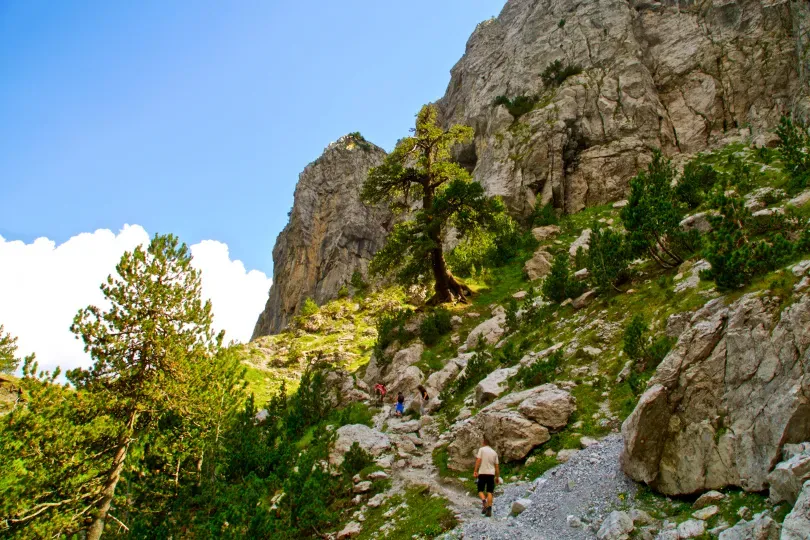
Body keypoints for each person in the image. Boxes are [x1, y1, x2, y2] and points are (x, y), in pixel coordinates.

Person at [473, 437, 500, 517]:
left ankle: (484, 501)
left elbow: (478, 460)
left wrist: (475, 471)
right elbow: (497, 466)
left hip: (482, 473)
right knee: (490, 491)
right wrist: (497, 477)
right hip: (491, 474)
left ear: (484, 443)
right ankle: (489, 509)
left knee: (480, 490)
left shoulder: (482, 449)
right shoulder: (494, 453)